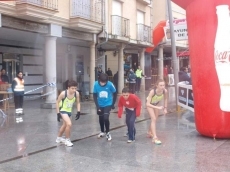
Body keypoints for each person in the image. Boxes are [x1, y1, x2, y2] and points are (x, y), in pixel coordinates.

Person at [56, 80, 81, 147]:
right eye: (72, 88)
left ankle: (58, 138)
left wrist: (78, 111)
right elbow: (57, 102)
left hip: (69, 111)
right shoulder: (63, 94)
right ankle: (67, 140)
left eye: (75, 88)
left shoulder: (77, 94)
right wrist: (58, 113)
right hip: (63, 110)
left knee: (65, 125)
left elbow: (78, 102)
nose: (74, 90)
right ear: (68, 87)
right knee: (69, 124)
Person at [93, 73, 117, 141]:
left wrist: (112, 104)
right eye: (101, 82)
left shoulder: (110, 84)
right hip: (100, 104)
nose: (103, 83)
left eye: (104, 82)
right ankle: (102, 131)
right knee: (101, 118)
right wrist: (97, 106)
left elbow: (115, 93)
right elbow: (94, 95)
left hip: (108, 103)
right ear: (99, 80)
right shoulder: (95, 84)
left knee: (106, 118)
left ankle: (108, 132)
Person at [146, 79, 168, 145]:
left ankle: (149, 132)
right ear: (157, 86)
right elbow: (147, 104)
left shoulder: (165, 91)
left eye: (163, 85)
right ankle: (155, 137)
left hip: (156, 104)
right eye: (160, 85)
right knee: (153, 119)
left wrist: (165, 108)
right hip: (150, 105)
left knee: (155, 119)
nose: (162, 87)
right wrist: (158, 107)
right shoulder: (152, 92)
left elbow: (166, 99)